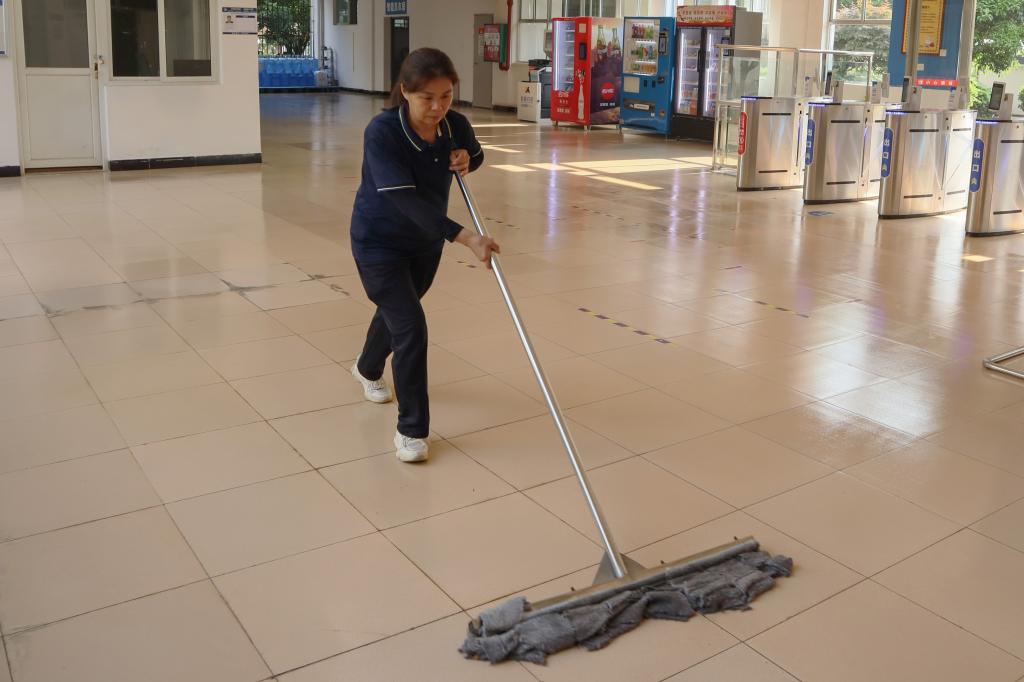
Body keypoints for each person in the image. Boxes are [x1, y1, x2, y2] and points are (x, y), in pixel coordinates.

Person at [349, 48, 499, 463]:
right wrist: (466, 237)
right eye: (427, 98)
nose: (437, 107)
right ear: (405, 92)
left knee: (400, 311)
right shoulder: (383, 132)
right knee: (411, 326)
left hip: (424, 244)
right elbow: (406, 201)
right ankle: (412, 430)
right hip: (378, 243)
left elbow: (476, 154)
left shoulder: (455, 125)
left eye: (446, 96)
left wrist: (468, 158)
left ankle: (366, 367)